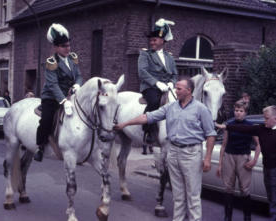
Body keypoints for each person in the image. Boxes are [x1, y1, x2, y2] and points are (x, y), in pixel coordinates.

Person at [114, 77, 216, 221]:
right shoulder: (171, 107)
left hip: (191, 153)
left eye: (179, 89)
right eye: (176, 88)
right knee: (178, 196)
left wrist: (207, 158)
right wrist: (125, 124)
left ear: (189, 91)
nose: (175, 91)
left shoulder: (201, 109)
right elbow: (147, 117)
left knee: (193, 196)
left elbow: (211, 134)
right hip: (173, 152)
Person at [216, 105, 276, 221]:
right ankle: (228, 217)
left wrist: (253, 160)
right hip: (263, 167)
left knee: (272, 198)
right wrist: (226, 126)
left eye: (267, 118)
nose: (265, 121)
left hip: (266, 166)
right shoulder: (261, 128)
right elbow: (242, 130)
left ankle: (259, 217)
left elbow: (258, 144)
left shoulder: (263, 128)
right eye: (236, 110)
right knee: (270, 197)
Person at [34, 23, 83, 162]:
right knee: (47, 120)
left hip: (69, 95)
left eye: (68, 45)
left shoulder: (73, 58)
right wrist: (63, 101)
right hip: (52, 97)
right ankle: (40, 146)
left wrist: (77, 85)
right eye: (64, 46)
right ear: (56, 48)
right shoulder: (51, 62)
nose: (67, 48)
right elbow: (53, 85)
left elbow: (79, 75)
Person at [138, 18, 178, 144]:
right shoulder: (145, 54)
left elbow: (175, 73)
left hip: (168, 87)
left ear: (162, 41)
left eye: (154, 40)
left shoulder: (169, 57)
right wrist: (157, 83)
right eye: (151, 40)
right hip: (150, 87)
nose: (152, 43)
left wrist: (172, 82)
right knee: (154, 101)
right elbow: (142, 72)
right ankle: (148, 130)